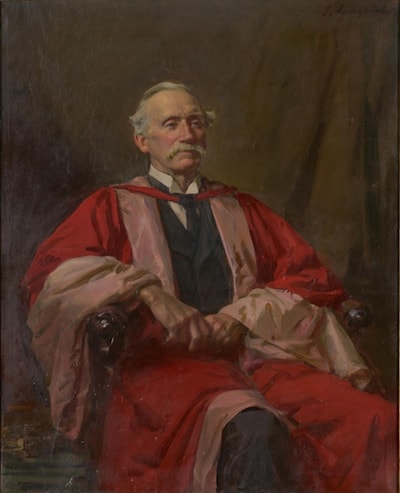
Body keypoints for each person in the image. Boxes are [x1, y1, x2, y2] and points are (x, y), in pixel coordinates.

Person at [23, 81, 397, 493]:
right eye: (171, 124)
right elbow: (56, 273)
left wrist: (240, 317)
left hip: (256, 358)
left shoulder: (240, 208)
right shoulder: (112, 206)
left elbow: (310, 278)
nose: (187, 134)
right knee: (253, 426)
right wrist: (148, 292)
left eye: (196, 122)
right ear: (142, 140)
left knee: (374, 418)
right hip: (162, 368)